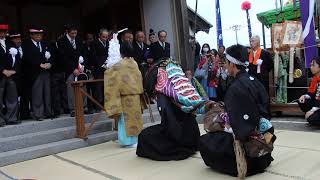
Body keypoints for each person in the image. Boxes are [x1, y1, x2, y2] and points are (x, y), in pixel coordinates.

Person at [199, 44, 275, 177]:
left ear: (232, 64)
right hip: (262, 149)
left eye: (227, 63)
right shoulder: (255, 81)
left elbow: (239, 128)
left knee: (205, 141)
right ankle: (263, 157)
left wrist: (223, 124)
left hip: (248, 150)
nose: (226, 66)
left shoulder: (236, 88)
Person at [136, 58, 209, 161]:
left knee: (143, 136)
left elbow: (168, 124)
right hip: (193, 137)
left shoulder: (164, 96)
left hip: (177, 137)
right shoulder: (183, 91)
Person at [104, 32, 144, 147]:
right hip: (135, 94)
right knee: (135, 118)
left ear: (121, 52)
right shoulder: (134, 63)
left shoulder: (119, 65)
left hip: (125, 96)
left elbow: (108, 73)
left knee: (125, 119)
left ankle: (126, 141)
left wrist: (108, 66)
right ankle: (135, 140)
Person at [22, 26, 52, 120]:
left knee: (47, 93)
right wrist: (39, 64)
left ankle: (48, 112)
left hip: (46, 71)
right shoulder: (26, 44)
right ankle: (38, 114)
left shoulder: (44, 43)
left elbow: (51, 55)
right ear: (31, 35)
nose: (39, 35)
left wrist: (50, 63)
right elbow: (27, 58)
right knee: (37, 94)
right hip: (34, 73)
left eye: (40, 34)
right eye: (36, 34)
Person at [57, 24, 86, 117]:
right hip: (69, 69)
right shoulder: (62, 41)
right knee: (71, 88)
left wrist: (82, 65)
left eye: (75, 33)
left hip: (79, 67)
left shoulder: (78, 40)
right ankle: (73, 109)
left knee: (83, 86)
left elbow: (83, 52)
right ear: (67, 32)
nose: (74, 35)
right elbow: (63, 57)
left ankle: (83, 107)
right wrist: (73, 69)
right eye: (72, 33)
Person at [0, 24, 21, 126]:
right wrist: (2, 70)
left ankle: (11, 117)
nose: (2, 33)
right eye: (1, 31)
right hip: (1, 74)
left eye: (4, 31)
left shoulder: (9, 43)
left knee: (12, 97)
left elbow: (17, 58)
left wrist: (14, 70)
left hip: (11, 74)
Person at [298, 57, 320, 126]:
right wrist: (304, 96)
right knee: (302, 101)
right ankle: (312, 115)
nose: (311, 67)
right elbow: (311, 93)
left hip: (318, 104)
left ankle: (313, 116)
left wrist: (312, 111)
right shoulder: (314, 79)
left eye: (313, 65)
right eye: (310, 65)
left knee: (312, 118)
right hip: (316, 103)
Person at [92, 29, 109, 110]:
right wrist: (102, 64)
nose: (105, 38)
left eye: (106, 37)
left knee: (107, 86)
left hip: (107, 68)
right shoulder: (94, 43)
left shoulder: (108, 43)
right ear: (99, 35)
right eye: (103, 37)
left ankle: (107, 103)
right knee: (98, 87)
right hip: (98, 68)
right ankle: (98, 105)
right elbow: (94, 56)